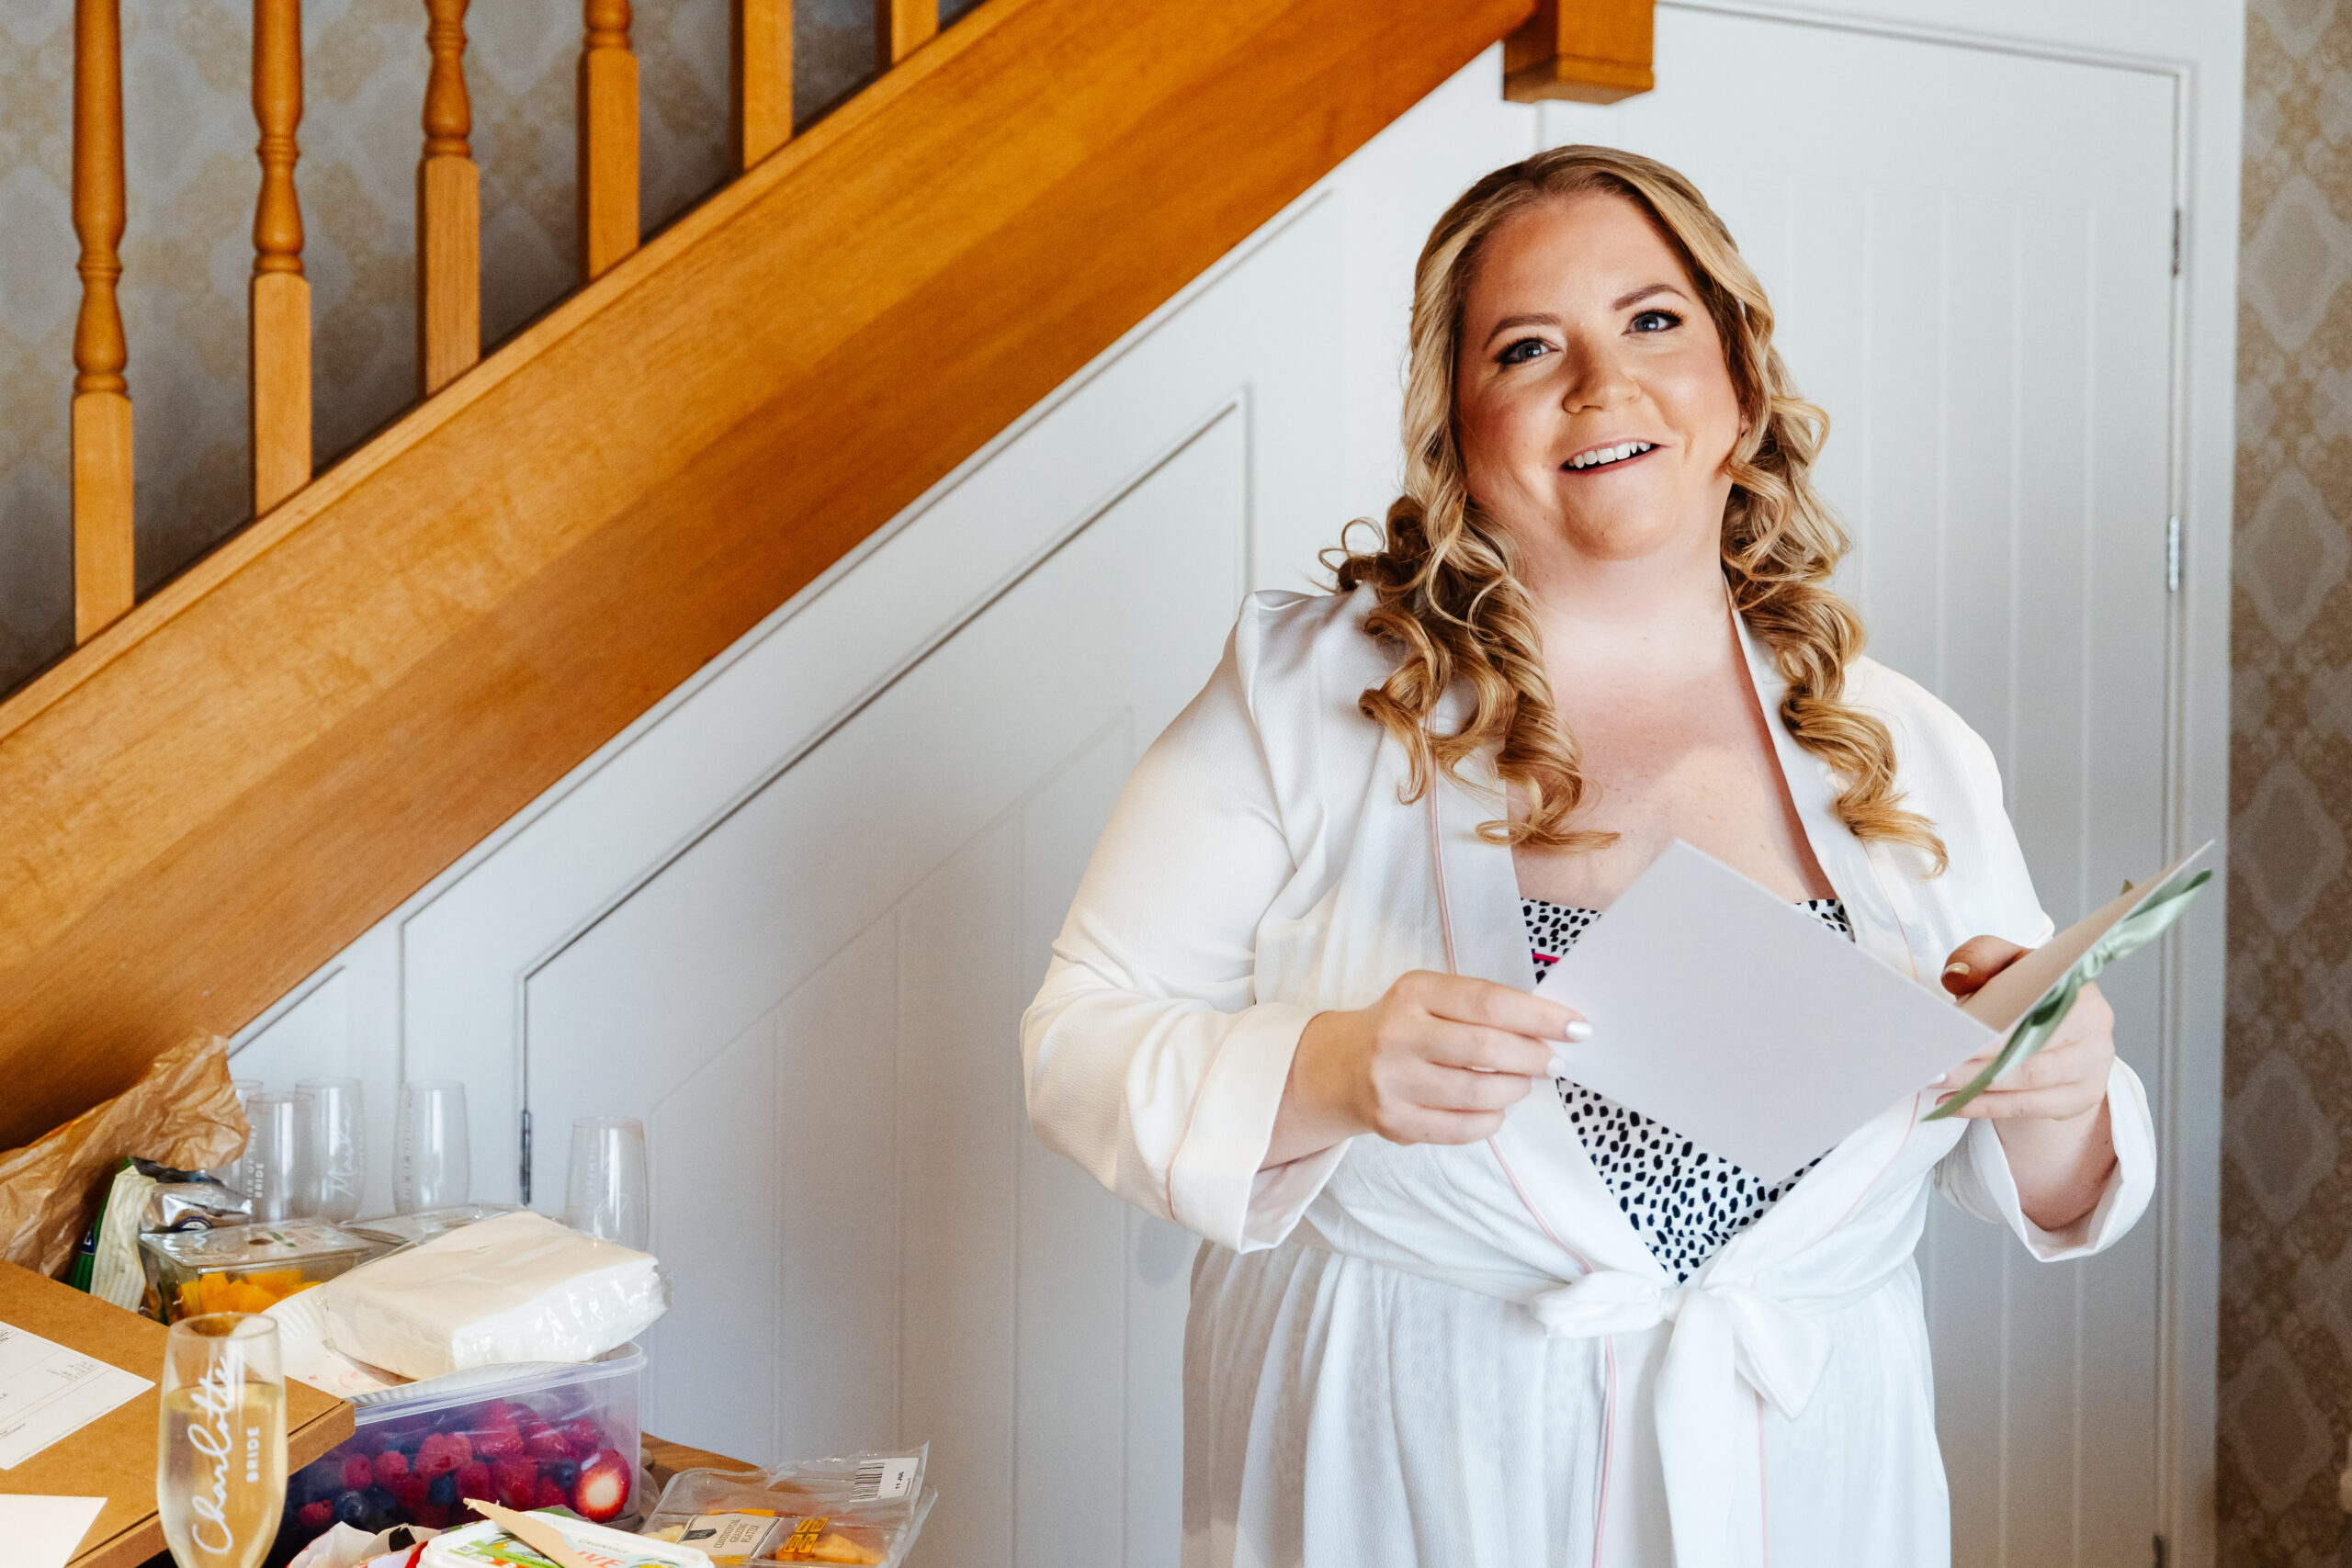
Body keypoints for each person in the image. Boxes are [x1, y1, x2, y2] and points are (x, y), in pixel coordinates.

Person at [1020, 145, 2154, 1568]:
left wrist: (2054, 1086)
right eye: (1528, 346)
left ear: (1740, 388)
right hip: (1412, 1471)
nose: (1601, 383)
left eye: (1655, 321)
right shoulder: (1305, 697)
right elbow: (1075, 1041)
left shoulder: (1903, 748)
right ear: (1462, 430)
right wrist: (1332, 1068)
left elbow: (2051, 1190)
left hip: (1805, 1485)